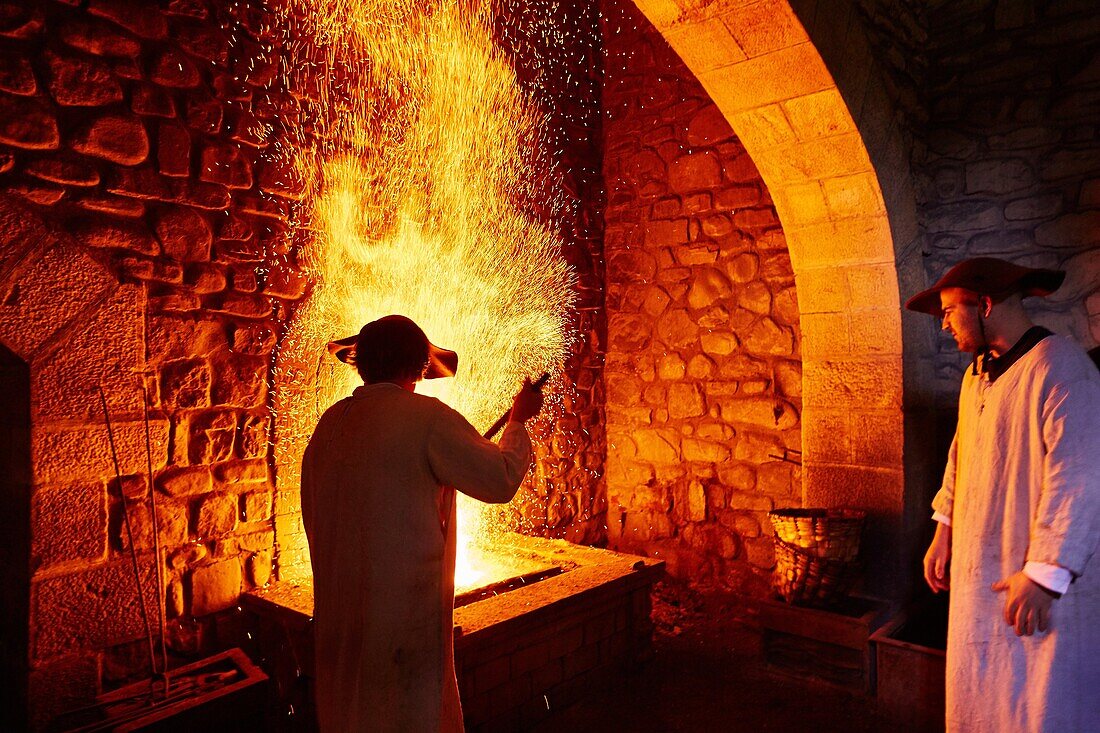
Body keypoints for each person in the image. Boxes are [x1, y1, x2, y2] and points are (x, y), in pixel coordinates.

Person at [301, 315, 543, 733]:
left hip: (341, 629)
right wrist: (519, 420)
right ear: (418, 368)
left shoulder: (330, 423)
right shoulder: (427, 417)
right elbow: (500, 479)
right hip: (401, 631)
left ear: (363, 364)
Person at [906, 257, 1100, 732]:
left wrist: (1044, 574)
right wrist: (944, 529)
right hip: (983, 566)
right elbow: (962, 456)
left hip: (1036, 573)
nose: (945, 323)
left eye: (951, 311)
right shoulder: (976, 376)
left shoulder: (1062, 369)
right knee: (985, 689)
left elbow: (1080, 475)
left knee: (1040, 695)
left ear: (986, 304)